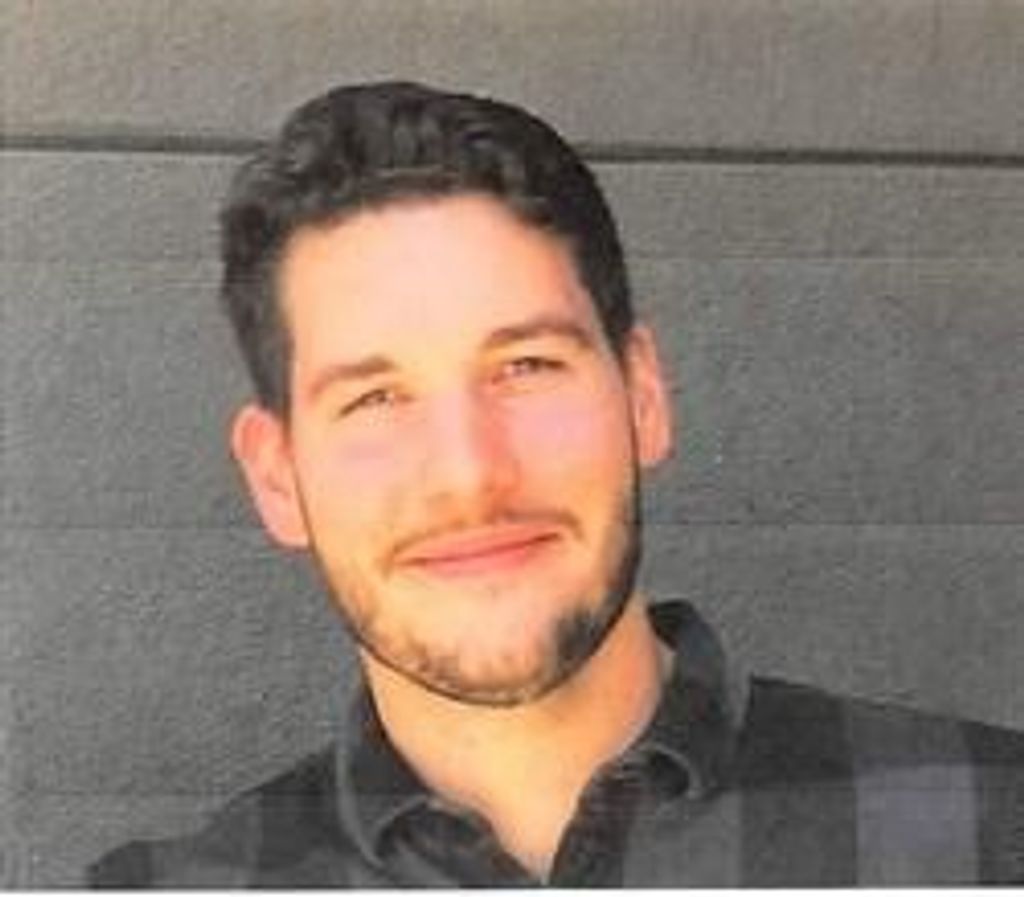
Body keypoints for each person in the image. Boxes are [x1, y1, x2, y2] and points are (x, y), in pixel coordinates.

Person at [89, 81, 1024, 887]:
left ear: (643, 397)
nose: (470, 474)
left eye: (526, 366)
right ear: (277, 476)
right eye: (376, 397)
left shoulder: (989, 832)